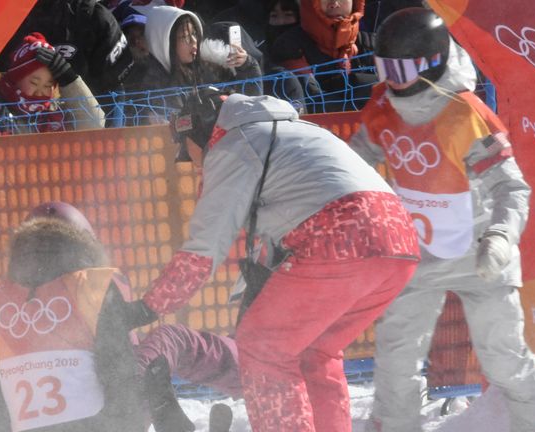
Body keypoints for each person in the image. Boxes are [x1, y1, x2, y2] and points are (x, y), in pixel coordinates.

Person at [119, 87, 421, 432]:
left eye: (187, 150)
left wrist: (148, 307)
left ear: (198, 131)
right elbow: (288, 219)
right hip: (398, 241)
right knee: (314, 352)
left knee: (263, 347)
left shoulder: (234, 144)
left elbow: (203, 250)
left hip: (339, 235)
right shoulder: (289, 131)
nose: (190, 162)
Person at [347, 8, 535, 432]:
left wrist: (501, 236)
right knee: (396, 357)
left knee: (502, 355)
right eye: (384, 69)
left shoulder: (465, 115)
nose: (393, 81)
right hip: (417, 251)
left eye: (401, 70)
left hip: (480, 250)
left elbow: (511, 187)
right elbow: (353, 164)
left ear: (432, 63)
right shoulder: (382, 107)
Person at [0, 201, 240, 432]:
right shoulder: (93, 289)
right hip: (102, 423)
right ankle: (247, 371)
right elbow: (118, 371)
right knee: (172, 337)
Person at [131, 5, 262, 123]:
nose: (194, 41)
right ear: (165, 43)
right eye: (184, 37)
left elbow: (249, 108)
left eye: (194, 33)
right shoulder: (152, 84)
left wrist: (247, 66)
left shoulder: (214, 67)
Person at [0, 0, 133, 97]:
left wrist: (68, 78)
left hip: (80, 116)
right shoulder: (5, 15)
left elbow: (113, 90)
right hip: (16, 116)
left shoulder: (94, 16)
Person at [270, 0, 378, 111]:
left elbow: (389, 90)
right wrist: (369, 90)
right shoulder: (290, 45)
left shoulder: (373, 43)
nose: (334, 4)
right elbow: (310, 99)